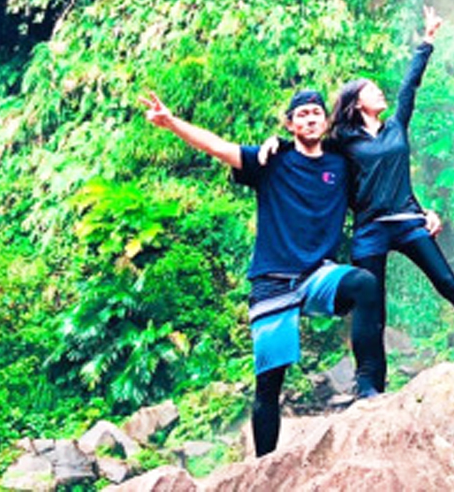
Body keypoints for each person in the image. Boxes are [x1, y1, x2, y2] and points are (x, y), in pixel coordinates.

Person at [141, 87, 386, 457]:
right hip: (272, 281)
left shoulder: (340, 164)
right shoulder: (271, 160)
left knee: (364, 284)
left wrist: (420, 217)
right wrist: (171, 122)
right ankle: (264, 466)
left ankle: (367, 386)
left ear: (326, 120)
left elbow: (383, 188)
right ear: (289, 124)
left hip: (318, 274)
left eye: (316, 113)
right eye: (301, 114)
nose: (309, 118)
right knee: (269, 385)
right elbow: (218, 147)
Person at [328, 7, 454, 392]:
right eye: (370, 90)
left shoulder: (396, 125)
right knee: (372, 307)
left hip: (407, 222)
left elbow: (409, 87)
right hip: (369, 229)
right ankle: (369, 385)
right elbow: (310, 154)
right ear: (355, 103)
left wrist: (428, 39)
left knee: (448, 282)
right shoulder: (343, 141)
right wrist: (272, 148)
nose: (379, 92)